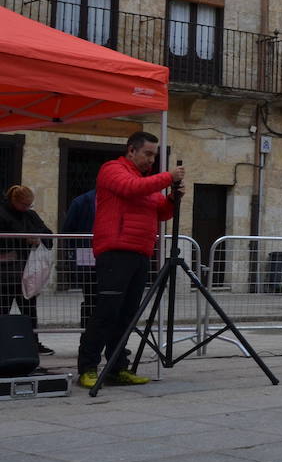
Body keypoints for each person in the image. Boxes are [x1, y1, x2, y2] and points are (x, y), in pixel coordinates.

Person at [76, 132, 183, 388]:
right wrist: (168, 177)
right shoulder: (113, 170)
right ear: (131, 150)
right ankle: (88, 368)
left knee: (127, 315)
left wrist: (171, 199)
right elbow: (130, 189)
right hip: (116, 250)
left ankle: (117, 367)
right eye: (147, 154)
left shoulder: (145, 181)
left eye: (154, 155)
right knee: (106, 312)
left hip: (140, 252)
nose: (151, 159)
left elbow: (161, 212)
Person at [0, 185, 55, 355]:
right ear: (14, 201)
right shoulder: (2, 214)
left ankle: (33, 342)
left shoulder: (30, 215)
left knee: (29, 310)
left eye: (29, 205)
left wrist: (38, 239)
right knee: (3, 309)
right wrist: (24, 240)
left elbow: (47, 235)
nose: (27, 208)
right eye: (24, 205)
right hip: (6, 274)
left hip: (27, 272)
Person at [61, 188, 98, 329]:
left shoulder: (116, 200)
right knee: (90, 296)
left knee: (107, 299)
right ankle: (88, 334)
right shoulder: (82, 202)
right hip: (87, 254)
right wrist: (74, 251)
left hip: (108, 255)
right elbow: (68, 230)